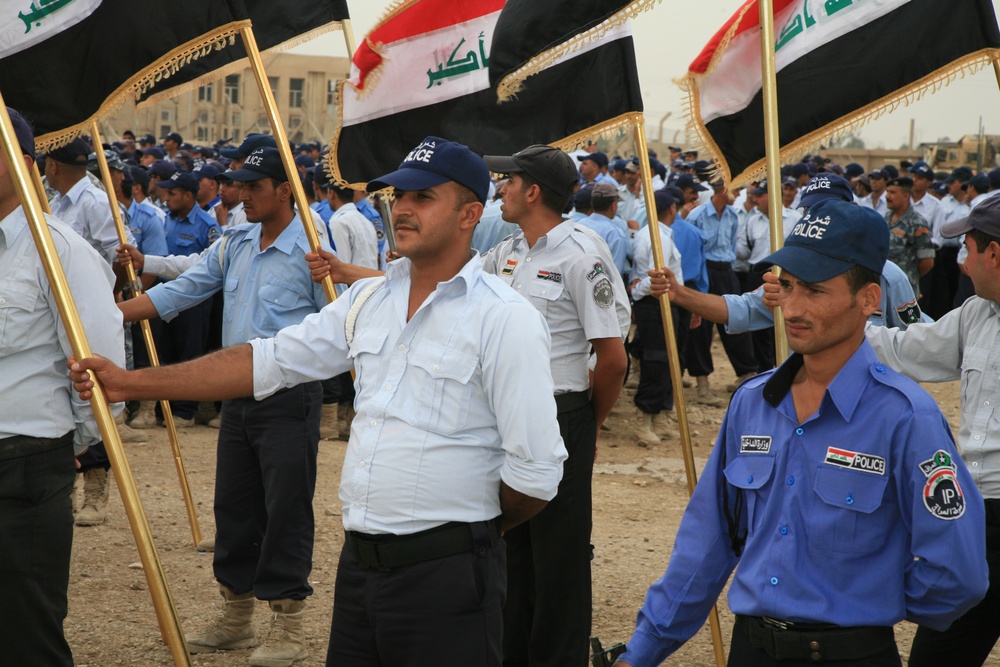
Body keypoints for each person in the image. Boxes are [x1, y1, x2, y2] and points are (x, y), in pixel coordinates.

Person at [69, 136, 567, 667]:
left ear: (470, 213)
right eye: (397, 196)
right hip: (360, 569)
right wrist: (130, 383)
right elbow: (268, 360)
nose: (401, 208)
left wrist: (468, 535)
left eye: (423, 197)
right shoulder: (369, 299)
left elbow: (534, 475)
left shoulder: (505, 318)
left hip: (447, 574)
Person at [613, 199, 988, 667]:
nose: (792, 307)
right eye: (786, 286)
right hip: (752, 651)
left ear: (868, 300)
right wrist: (643, 650)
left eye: (814, 290)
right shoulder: (752, 404)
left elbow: (958, 573)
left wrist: (867, 602)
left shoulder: (906, 417)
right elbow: (707, 543)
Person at [115, 147, 330, 666]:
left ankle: (288, 621)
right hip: (235, 395)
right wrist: (107, 316)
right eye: (238, 184)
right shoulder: (237, 241)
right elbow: (183, 291)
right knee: (233, 508)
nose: (239, 194)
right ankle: (236, 615)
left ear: (284, 190)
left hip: (288, 396)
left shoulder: (315, 249)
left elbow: (342, 324)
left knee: (285, 509)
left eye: (252, 186)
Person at [481, 145, 628, 667]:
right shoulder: (507, 250)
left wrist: (588, 422)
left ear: (533, 190)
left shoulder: (581, 254)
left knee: (560, 558)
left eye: (509, 180)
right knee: (511, 548)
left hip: (562, 413)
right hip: (509, 416)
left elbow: (612, 359)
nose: (500, 188)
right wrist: (346, 269)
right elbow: (452, 286)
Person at [0, 107, 125, 665]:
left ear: (26, 165)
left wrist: (58, 452)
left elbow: (101, 377)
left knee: (26, 632)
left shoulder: (62, 251)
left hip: (22, 467)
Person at [863, 196, 1000, 666]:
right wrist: (836, 319)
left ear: (995, 254)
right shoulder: (976, 314)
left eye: (968, 249)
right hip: (978, 516)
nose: (962, 264)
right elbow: (905, 348)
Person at [627, 189, 684, 447]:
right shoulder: (658, 237)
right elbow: (655, 278)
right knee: (657, 360)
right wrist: (637, 292)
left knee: (667, 359)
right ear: (672, 208)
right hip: (656, 303)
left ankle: (659, 415)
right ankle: (644, 419)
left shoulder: (652, 234)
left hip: (660, 302)